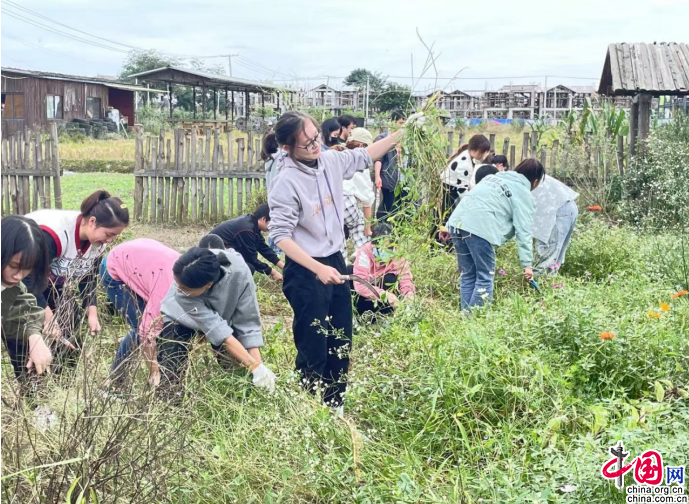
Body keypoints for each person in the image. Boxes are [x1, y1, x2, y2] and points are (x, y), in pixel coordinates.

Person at [268, 110, 421, 414]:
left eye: (316, 139)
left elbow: (365, 155)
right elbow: (281, 236)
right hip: (306, 268)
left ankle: (334, 406)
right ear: (287, 147)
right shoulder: (285, 181)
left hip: (335, 260)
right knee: (314, 342)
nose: (314, 147)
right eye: (306, 144)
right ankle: (308, 408)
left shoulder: (330, 160)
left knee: (341, 338)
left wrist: (404, 132)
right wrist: (317, 268)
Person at [24, 190, 129, 372]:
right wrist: (47, 318)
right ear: (92, 222)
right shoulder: (53, 234)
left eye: (115, 237)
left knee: (69, 334)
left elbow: (88, 277)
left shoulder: (97, 242)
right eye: (109, 234)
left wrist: (92, 313)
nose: (110, 241)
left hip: (50, 283)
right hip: (16, 282)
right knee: (31, 340)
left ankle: (62, 381)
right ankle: (32, 387)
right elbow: (28, 279)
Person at [158, 246, 276, 401]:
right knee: (172, 363)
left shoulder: (239, 272)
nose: (178, 290)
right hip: (180, 318)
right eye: (177, 285)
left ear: (208, 285)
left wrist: (258, 367)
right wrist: (253, 365)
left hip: (222, 317)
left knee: (237, 368)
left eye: (184, 288)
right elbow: (215, 328)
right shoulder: (182, 294)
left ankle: (243, 399)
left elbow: (248, 322)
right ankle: (171, 408)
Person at [444, 159, 545, 311]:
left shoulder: (493, 178)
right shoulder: (523, 193)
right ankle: (475, 321)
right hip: (479, 230)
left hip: (457, 224)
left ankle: (465, 320)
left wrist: (446, 227)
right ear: (535, 181)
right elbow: (523, 231)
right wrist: (527, 265)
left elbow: (470, 200)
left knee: (468, 274)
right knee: (485, 276)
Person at [99, 238, 180, 388]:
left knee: (159, 326)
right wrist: (154, 371)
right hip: (116, 267)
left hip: (143, 261)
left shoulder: (193, 280)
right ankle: (115, 381)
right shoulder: (165, 292)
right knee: (140, 328)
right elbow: (146, 332)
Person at [1, 216, 53, 390]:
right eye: (14, 265)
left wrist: (34, 337)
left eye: (27, 268)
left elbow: (21, 306)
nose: (18, 275)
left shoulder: (14, 286)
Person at [349, 223, 415, 317]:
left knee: (390, 279)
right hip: (369, 292)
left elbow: (405, 278)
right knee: (349, 271)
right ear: (372, 245)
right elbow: (360, 284)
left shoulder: (398, 255)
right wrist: (383, 295)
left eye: (387, 248)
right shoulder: (364, 253)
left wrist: (409, 295)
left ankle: (385, 312)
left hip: (385, 291)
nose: (383, 251)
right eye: (379, 248)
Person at [207, 204, 285, 281]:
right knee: (248, 268)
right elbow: (251, 259)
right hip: (211, 257)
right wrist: (272, 272)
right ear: (264, 219)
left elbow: (263, 248)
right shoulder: (246, 229)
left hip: (222, 253)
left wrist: (284, 267)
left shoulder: (252, 224)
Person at [531, 175, 579, 275]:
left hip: (558, 211)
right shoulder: (524, 175)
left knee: (546, 253)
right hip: (568, 208)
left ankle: (540, 285)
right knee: (554, 256)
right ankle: (550, 284)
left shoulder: (517, 181)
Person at [343, 127, 376, 248]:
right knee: (359, 224)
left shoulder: (341, 154)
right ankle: (362, 251)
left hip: (327, 201)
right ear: (362, 146)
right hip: (344, 200)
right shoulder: (359, 164)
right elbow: (367, 199)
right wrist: (367, 229)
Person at [375, 110, 406, 220]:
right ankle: (384, 229)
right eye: (401, 123)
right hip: (390, 179)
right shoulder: (382, 139)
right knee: (389, 207)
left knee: (403, 209)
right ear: (393, 122)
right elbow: (378, 159)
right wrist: (377, 176)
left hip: (405, 181)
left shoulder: (408, 140)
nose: (403, 126)